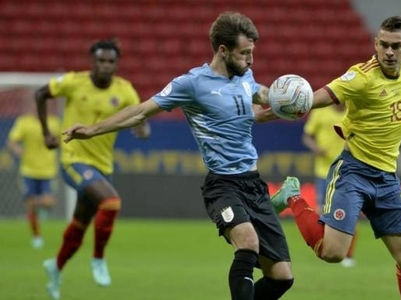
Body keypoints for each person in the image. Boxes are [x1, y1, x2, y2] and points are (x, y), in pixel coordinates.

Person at [61, 12, 294, 300]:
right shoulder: (192, 84)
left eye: (252, 53)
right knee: (247, 243)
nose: (250, 60)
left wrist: (283, 101)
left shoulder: (245, 75)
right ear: (223, 50)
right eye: (244, 53)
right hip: (222, 185)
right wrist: (93, 129)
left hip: (253, 183)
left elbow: (256, 96)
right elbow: (142, 111)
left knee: (282, 277)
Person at [270, 16, 401, 300]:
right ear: (376, 43)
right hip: (353, 171)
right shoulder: (361, 77)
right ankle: (293, 197)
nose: (388, 52)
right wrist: (285, 105)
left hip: (386, 179)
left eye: (395, 46)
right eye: (383, 44)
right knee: (333, 253)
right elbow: (325, 95)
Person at [36, 39, 150, 300]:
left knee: (79, 225)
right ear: (93, 62)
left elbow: (141, 115)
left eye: (110, 61)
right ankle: (98, 259)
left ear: (116, 64)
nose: (105, 66)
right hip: (73, 160)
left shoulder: (125, 91)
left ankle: (55, 267)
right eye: (101, 61)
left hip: (102, 166)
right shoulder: (74, 82)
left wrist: (143, 129)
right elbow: (40, 93)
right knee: (110, 203)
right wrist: (46, 133)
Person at [302, 104, 358, 267]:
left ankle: (348, 254)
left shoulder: (353, 111)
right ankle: (323, 248)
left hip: (347, 170)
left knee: (351, 214)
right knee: (321, 212)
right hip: (324, 171)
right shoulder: (320, 112)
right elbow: (307, 136)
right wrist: (316, 148)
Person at [6, 99, 60, 249]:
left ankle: (37, 204)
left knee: (48, 202)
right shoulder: (24, 122)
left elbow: (61, 141)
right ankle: (37, 236)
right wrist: (16, 148)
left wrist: (56, 142)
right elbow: (11, 141)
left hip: (48, 170)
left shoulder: (54, 123)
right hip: (28, 170)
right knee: (30, 208)